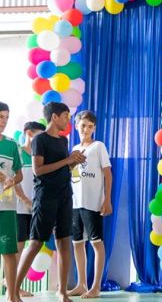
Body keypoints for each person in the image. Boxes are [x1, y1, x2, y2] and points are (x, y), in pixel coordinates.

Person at [16, 102, 85, 302]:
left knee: (64, 242)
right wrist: (67, 160)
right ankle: (14, 290)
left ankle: (62, 292)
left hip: (65, 195)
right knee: (36, 242)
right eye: (65, 116)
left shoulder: (63, 141)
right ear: (54, 117)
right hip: (45, 196)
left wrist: (73, 162)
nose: (68, 120)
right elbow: (38, 170)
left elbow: (64, 168)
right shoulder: (40, 139)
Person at [68, 110, 112, 299]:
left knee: (96, 243)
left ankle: (96, 287)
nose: (86, 129)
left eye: (90, 126)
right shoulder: (75, 149)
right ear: (76, 126)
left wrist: (107, 199)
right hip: (75, 203)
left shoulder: (98, 146)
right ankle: (81, 284)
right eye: (83, 125)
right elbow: (73, 175)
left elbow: (108, 174)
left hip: (93, 203)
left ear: (94, 128)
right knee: (77, 243)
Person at [15, 121, 45, 298]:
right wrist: (26, 201)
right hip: (19, 208)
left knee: (30, 245)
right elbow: (13, 180)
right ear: (28, 133)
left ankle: (13, 282)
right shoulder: (18, 152)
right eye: (38, 136)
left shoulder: (39, 157)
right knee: (18, 247)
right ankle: (14, 287)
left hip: (35, 209)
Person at [0, 102, 24, 302]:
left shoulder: (11, 144)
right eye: (1, 117)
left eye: (7, 117)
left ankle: (12, 296)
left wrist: (11, 180)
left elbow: (19, 175)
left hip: (6, 206)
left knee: (8, 251)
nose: (4, 121)